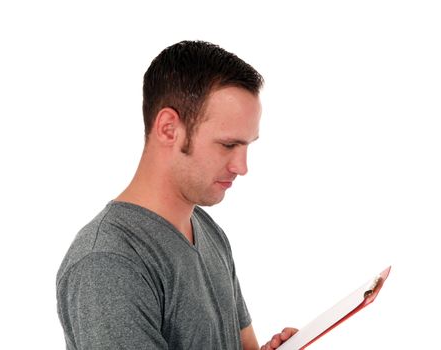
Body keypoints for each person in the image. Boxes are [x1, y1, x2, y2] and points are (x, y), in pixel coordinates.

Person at [56, 40, 297, 350]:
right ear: (169, 128)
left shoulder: (208, 231)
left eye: (247, 146)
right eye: (228, 145)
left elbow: (244, 344)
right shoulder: (107, 262)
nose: (242, 166)